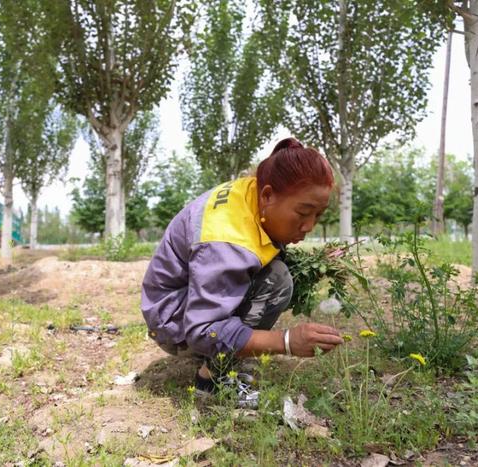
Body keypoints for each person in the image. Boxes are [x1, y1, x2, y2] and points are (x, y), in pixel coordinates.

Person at [141, 137, 344, 399]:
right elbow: (202, 331)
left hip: (183, 303)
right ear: (268, 195)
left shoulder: (251, 192)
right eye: (303, 212)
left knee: (278, 273)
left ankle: (226, 353)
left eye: (318, 215)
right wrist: (285, 342)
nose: (309, 226)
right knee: (277, 282)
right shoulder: (227, 239)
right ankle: (212, 380)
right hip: (175, 326)